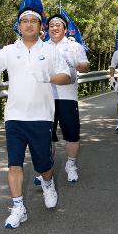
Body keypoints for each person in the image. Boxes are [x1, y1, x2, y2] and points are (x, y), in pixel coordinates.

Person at [0, 7, 71, 229]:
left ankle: (48, 183)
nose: (28, 24)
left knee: (43, 164)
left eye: (33, 21)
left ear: (41, 27)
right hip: (15, 117)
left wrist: (49, 77)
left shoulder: (50, 51)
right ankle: (19, 208)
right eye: (24, 21)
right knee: (14, 165)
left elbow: (67, 77)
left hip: (41, 117)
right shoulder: (10, 51)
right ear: (19, 26)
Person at [40, 14, 90, 183]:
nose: (54, 28)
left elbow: (86, 67)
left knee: (72, 135)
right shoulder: (42, 47)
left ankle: (71, 164)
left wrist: (76, 63)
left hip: (67, 97)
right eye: (52, 25)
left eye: (58, 25)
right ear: (48, 28)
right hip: (46, 97)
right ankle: (46, 170)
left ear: (65, 29)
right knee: (46, 136)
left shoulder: (74, 46)